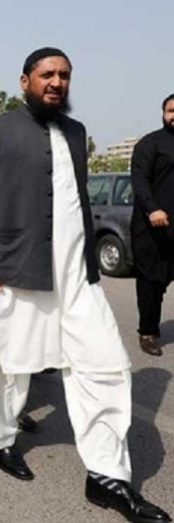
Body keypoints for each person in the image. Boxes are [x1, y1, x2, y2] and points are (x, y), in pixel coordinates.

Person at [0, 48, 170, 523]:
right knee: (13, 368)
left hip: (78, 279)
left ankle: (107, 476)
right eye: (47, 74)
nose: (56, 82)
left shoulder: (75, 132)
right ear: (25, 80)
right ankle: (3, 438)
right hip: (15, 270)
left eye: (64, 75)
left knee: (108, 368)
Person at [130, 93, 174, 356]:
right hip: (153, 230)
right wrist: (153, 209)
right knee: (152, 285)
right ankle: (148, 332)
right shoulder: (150, 144)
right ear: (163, 113)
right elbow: (140, 180)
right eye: (171, 110)